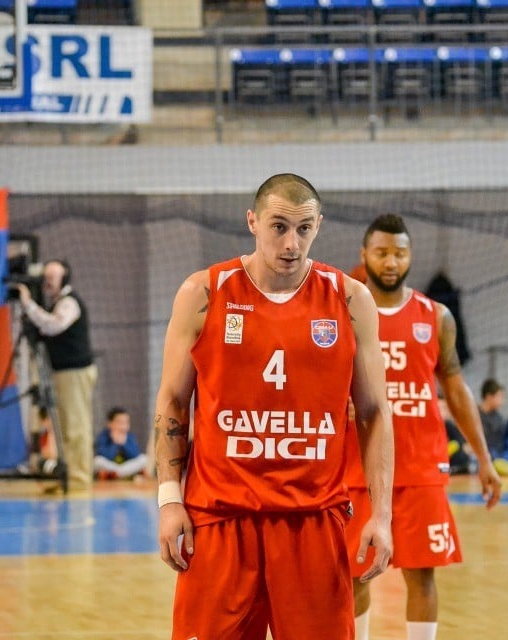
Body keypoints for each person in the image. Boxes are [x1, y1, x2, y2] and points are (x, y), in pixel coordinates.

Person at [154, 173, 394, 640]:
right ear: (252, 222)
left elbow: (374, 413)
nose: (291, 243)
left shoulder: (349, 299)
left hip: (313, 520)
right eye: (278, 227)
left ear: (319, 226)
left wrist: (381, 516)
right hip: (221, 518)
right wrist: (169, 501)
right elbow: (172, 402)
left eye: (304, 229)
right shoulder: (204, 292)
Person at [344, 214, 501, 640]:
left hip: (420, 468)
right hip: (357, 468)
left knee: (422, 574)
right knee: (354, 576)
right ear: (365, 255)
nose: (391, 261)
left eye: (400, 252)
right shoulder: (344, 313)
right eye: (381, 252)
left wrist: (484, 458)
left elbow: (456, 389)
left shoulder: (436, 316)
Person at [16, 260, 98, 493]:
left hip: (74, 372)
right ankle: (69, 477)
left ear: (65, 279)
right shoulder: (56, 302)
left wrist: (28, 305)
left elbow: (53, 326)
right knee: (64, 429)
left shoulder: (69, 303)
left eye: (53, 276)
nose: (47, 281)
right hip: (64, 372)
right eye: (46, 276)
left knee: (76, 428)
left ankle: (79, 481)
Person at [94, 406, 148, 480]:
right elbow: (104, 456)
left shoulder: (129, 437)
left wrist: (124, 444)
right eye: (119, 422)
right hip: (111, 465)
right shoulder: (104, 436)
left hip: (125, 467)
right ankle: (122, 474)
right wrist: (115, 444)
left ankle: (118, 474)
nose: (123, 425)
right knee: (97, 461)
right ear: (110, 424)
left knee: (144, 459)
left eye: (126, 422)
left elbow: (135, 455)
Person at [478, 377, 506, 458]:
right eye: (500, 396)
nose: (502, 400)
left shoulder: (498, 419)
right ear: (489, 396)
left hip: (491, 455)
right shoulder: (472, 414)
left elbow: (498, 444)